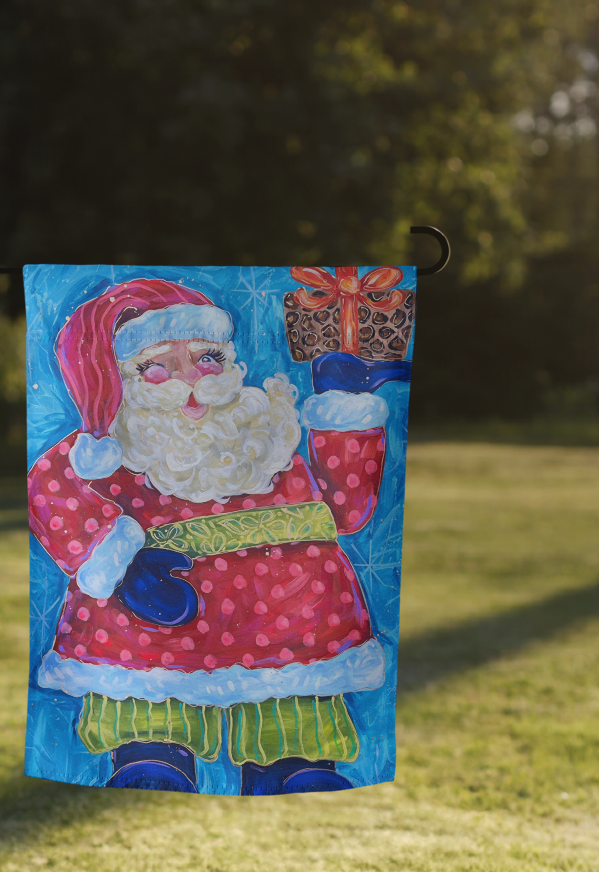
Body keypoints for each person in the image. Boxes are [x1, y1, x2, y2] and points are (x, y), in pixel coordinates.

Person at [28, 277, 404, 794]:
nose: (191, 380)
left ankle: (294, 773)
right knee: (151, 748)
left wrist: (344, 402)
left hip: (291, 630)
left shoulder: (267, 437)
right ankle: (153, 761)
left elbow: (346, 511)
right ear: (122, 381)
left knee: (296, 752)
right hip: (152, 641)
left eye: (206, 358)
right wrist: (120, 565)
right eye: (157, 366)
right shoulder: (108, 451)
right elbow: (49, 492)